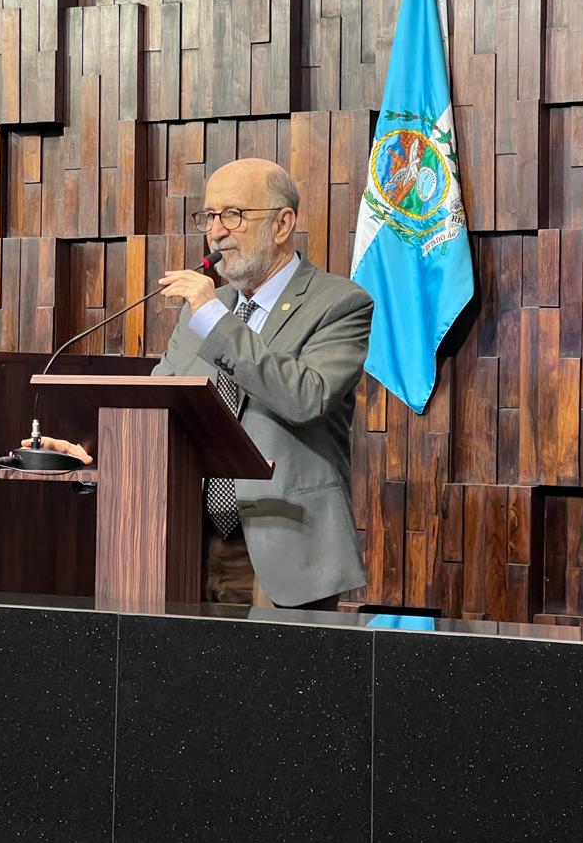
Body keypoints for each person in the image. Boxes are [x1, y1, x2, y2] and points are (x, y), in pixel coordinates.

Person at [26, 158, 373, 609]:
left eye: (234, 215)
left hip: (286, 546)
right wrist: (94, 457)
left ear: (283, 224)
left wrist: (214, 318)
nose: (216, 231)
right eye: (209, 217)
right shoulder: (203, 311)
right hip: (187, 542)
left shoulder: (340, 302)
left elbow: (307, 397)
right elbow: (160, 413)